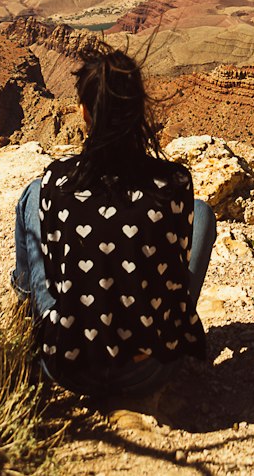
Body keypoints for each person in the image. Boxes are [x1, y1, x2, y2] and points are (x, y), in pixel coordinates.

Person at [12, 41, 216, 400]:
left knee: (31, 193)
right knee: (200, 213)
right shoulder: (173, 184)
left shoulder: (57, 183)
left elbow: (57, 264)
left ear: (85, 114)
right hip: (150, 369)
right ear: (138, 111)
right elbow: (173, 269)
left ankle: (30, 317)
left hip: (69, 369)